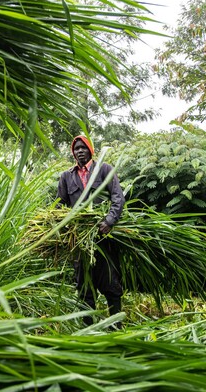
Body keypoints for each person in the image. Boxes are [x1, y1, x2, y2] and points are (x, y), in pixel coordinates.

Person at [57, 135, 125, 325]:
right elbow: (59, 205)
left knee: (111, 284)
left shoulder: (104, 170)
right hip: (80, 241)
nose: (79, 151)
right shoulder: (66, 177)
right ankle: (89, 330)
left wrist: (109, 220)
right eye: (76, 149)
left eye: (83, 148)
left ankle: (115, 328)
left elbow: (117, 197)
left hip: (105, 239)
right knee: (84, 286)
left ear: (91, 150)